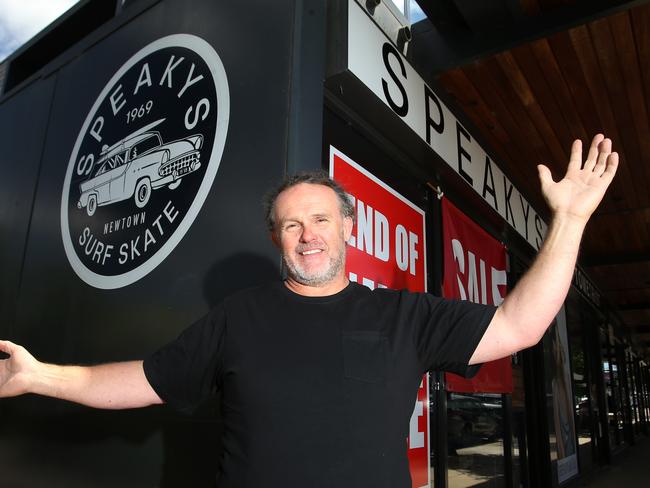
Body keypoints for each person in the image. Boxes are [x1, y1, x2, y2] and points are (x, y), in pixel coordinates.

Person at [0, 134, 618, 486]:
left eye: (320, 219)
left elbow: (521, 324)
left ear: (348, 227)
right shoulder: (237, 318)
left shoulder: (405, 316)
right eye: (290, 224)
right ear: (277, 239)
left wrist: (569, 221)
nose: (308, 235)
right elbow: (144, 380)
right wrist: (38, 376)